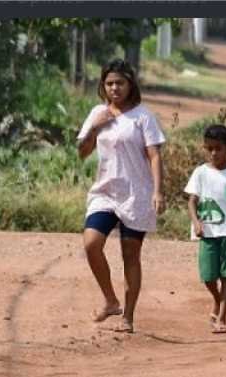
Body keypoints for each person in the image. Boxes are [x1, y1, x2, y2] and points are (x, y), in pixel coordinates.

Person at [76, 59, 165, 334]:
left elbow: (154, 154)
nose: (115, 88)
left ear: (130, 85)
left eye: (120, 83)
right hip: (105, 191)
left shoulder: (143, 116)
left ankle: (128, 316)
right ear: (103, 85)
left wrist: (158, 191)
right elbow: (82, 152)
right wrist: (95, 127)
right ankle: (110, 300)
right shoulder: (98, 113)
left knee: (131, 255)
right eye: (110, 83)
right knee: (91, 244)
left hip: (136, 193)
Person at [184, 124, 226, 334]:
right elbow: (192, 201)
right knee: (208, 276)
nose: (213, 153)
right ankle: (216, 299)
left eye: (218, 148)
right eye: (209, 148)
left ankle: (222, 317)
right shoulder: (200, 173)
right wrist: (196, 222)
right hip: (207, 232)